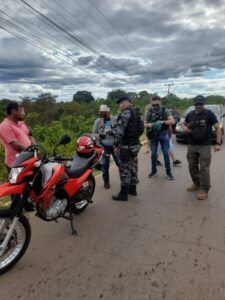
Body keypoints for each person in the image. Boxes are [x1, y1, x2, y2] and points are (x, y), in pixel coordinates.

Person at [182, 95, 221, 200]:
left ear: (204, 104)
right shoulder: (190, 114)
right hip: (191, 145)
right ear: (194, 104)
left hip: (205, 145)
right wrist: (184, 127)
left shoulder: (209, 114)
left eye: (201, 104)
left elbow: (218, 127)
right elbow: (183, 123)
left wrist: (218, 143)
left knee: (204, 168)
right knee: (192, 166)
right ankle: (196, 183)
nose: (199, 105)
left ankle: (204, 190)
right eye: (197, 104)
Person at [0, 101, 36, 210]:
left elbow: (29, 137)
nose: (23, 113)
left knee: (28, 184)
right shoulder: (4, 126)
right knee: (15, 189)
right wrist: (30, 150)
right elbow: (14, 145)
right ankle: (14, 214)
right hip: (15, 164)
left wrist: (36, 148)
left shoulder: (21, 124)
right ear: (13, 111)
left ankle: (26, 205)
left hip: (28, 161)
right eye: (21, 110)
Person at [112, 96, 141, 201]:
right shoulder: (136, 113)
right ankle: (133, 189)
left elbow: (119, 132)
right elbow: (141, 129)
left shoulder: (125, 113)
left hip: (125, 146)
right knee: (133, 167)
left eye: (120, 104)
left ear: (124, 103)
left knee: (124, 169)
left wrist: (115, 145)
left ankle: (123, 194)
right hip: (135, 145)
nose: (119, 106)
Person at [144, 95, 175, 180]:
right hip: (153, 135)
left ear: (160, 102)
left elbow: (172, 121)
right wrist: (148, 125)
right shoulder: (149, 112)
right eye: (153, 105)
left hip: (163, 134)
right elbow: (144, 123)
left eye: (157, 105)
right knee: (153, 154)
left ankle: (168, 172)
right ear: (151, 104)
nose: (155, 106)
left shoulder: (165, 110)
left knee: (166, 153)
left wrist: (163, 122)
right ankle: (153, 171)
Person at [92, 104, 119, 189]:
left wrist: (114, 133)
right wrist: (100, 135)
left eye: (105, 113)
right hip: (104, 146)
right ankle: (106, 182)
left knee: (119, 163)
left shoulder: (115, 119)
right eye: (102, 112)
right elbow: (94, 134)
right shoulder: (98, 121)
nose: (103, 114)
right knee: (104, 164)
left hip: (115, 145)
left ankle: (124, 181)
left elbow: (121, 131)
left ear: (109, 112)